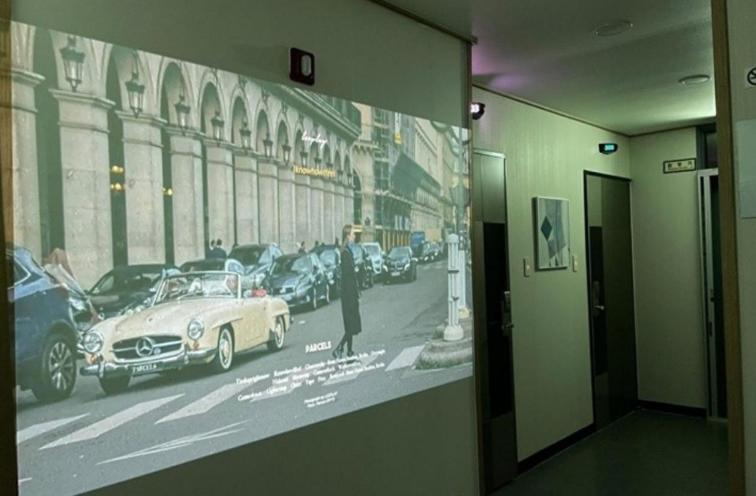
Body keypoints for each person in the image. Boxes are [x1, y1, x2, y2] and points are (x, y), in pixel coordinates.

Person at [333, 224, 361, 359]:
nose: (354, 236)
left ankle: (349, 350)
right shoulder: (345, 253)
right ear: (348, 236)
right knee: (350, 323)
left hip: (350, 293)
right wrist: (354, 294)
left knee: (351, 323)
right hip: (348, 294)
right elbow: (348, 277)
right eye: (353, 234)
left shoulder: (347, 251)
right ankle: (339, 348)